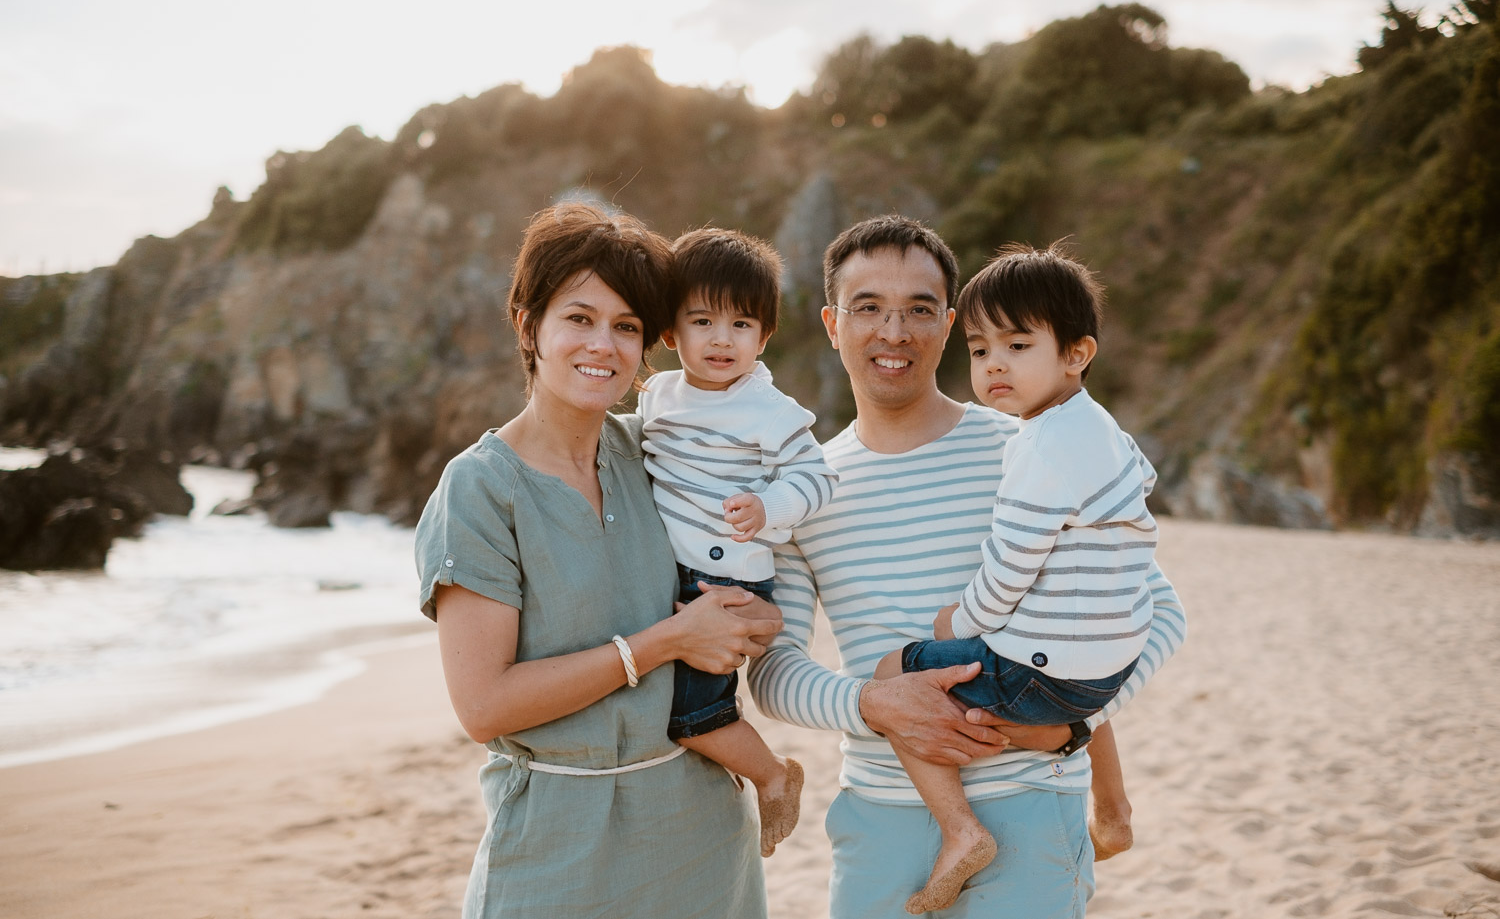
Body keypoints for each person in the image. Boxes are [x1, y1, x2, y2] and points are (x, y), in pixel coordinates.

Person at [747, 215, 1187, 919]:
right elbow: (772, 674)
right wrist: (872, 703)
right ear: (832, 323)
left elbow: (1156, 610)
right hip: (878, 822)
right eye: (868, 308)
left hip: (1032, 808)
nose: (894, 331)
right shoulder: (803, 488)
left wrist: (1067, 726)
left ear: (949, 324)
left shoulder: (1028, 448)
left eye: (920, 309)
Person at [414, 202, 782, 919]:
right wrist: (667, 640)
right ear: (529, 325)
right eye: (579, 318)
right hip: (557, 842)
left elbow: (763, 539)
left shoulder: (657, 448)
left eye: (627, 326)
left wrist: (761, 612)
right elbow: (484, 704)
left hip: (703, 831)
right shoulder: (481, 486)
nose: (604, 345)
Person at [871, 241, 1156, 913]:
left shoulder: (1040, 445)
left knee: (894, 677)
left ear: (1076, 353)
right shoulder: (1102, 429)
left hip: (1052, 669)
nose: (994, 363)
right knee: (1002, 688)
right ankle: (1107, 804)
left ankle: (960, 829)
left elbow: (1007, 571)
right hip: (1108, 668)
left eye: (1018, 345)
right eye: (978, 349)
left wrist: (956, 621)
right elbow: (1141, 484)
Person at [638, 228, 838, 856]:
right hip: (668, 572)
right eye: (703, 321)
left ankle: (773, 774)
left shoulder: (769, 409)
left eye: (742, 324)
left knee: (690, 713)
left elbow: (817, 476)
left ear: (765, 336)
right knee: (660, 699)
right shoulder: (657, 395)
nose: (723, 339)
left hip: (725, 578)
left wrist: (768, 506)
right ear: (671, 332)